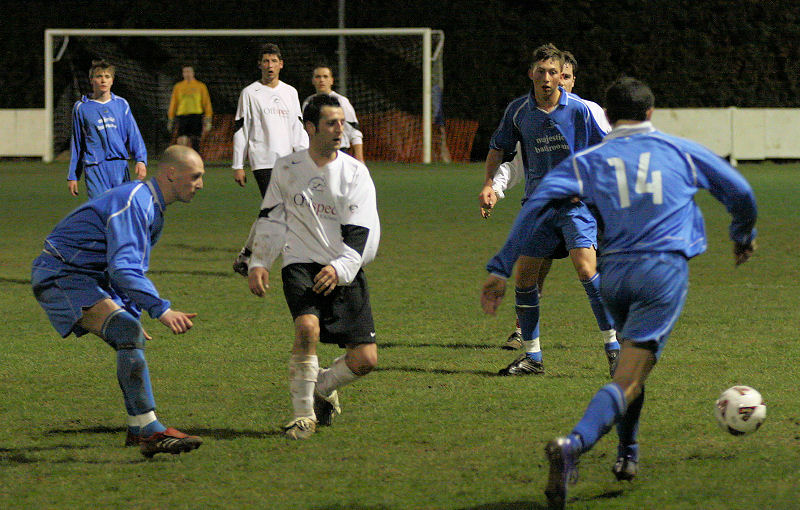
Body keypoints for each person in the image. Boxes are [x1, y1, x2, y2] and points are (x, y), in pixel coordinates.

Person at [481, 77, 757, 509]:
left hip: (614, 275)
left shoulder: (590, 159)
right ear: (651, 113)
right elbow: (740, 191)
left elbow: (536, 205)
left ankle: (628, 454)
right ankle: (573, 444)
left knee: (632, 367)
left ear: (607, 117)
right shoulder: (678, 149)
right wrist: (742, 234)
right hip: (660, 274)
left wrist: (500, 266)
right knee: (629, 376)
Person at [32, 145, 206, 458]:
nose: (200, 184)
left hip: (86, 276)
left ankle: (139, 428)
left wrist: (132, 312)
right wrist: (161, 309)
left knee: (128, 330)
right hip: (61, 274)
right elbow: (123, 267)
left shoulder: (151, 207)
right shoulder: (135, 203)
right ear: (171, 174)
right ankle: (149, 430)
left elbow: (128, 269)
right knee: (127, 332)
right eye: (195, 176)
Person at [478, 44, 618, 377]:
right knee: (525, 279)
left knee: (586, 270)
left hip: (574, 205)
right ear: (531, 74)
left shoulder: (581, 110)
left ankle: (615, 350)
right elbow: (499, 149)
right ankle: (533, 358)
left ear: (561, 77)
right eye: (541, 71)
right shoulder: (518, 111)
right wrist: (488, 185)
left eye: (553, 72)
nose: (547, 78)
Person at [247, 94, 380, 440]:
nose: (340, 130)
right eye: (331, 123)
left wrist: (340, 267)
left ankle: (322, 384)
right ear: (310, 128)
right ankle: (303, 415)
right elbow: (272, 217)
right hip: (300, 263)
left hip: (344, 268)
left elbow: (363, 231)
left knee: (366, 359)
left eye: (343, 123)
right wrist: (259, 260)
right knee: (307, 330)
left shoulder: (355, 172)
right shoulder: (287, 167)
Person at [232, 43, 309, 277]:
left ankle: (246, 256)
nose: (269, 66)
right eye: (265, 61)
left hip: (289, 159)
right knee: (279, 208)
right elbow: (241, 129)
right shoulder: (249, 93)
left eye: (274, 61)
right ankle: (258, 258)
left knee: (276, 209)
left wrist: (305, 156)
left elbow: (297, 127)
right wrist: (238, 164)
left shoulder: (290, 92)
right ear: (259, 65)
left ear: (281, 64)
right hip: (263, 160)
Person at [67, 59, 147, 199]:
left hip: (119, 165)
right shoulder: (81, 107)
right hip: (95, 167)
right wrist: (73, 175)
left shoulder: (122, 104)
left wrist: (140, 160)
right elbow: (77, 143)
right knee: (101, 209)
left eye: (107, 76)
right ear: (92, 80)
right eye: (99, 76)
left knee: (120, 210)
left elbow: (134, 135)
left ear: (112, 81)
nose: (103, 80)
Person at [302, 64, 364, 163]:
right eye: (318, 77)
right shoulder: (308, 103)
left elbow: (354, 131)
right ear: (313, 80)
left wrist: (360, 159)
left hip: (339, 151)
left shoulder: (341, 101)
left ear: (331, 80)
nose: (321, 80)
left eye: (325, 76)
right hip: (315, 153)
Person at [167, 65, 213, 150]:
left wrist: (208, 118)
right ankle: (182, 159)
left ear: (193, 73)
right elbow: (174, 102)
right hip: (182, 116)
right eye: (185, 72)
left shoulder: (201, 86)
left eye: (189, 72)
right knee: (181, 139)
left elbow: (206, 102)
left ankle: (195, 159)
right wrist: (170, 117)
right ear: (183, 74)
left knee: (195, 140)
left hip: (196, 116)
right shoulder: (178, 86)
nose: (187, 74)